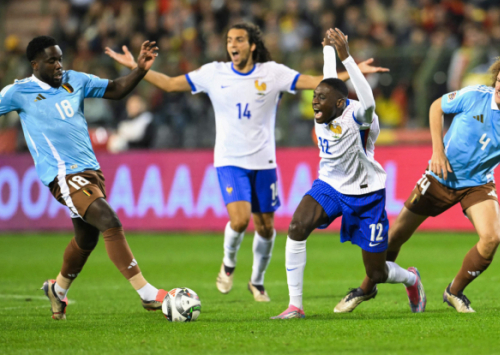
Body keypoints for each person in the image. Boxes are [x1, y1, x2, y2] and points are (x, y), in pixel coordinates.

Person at [105, 22, 388, 302]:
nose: (232, 45)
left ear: (252, 45)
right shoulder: (213, 73)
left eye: (239, 40)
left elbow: (321, 86)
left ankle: (257, 281)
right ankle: (228, 265)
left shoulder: (273, 73)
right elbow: (168, 84)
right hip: (229, 159)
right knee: (240, 220)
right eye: (229, 40)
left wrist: (353, 70)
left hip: (264, 160)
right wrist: (139, 68)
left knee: (266, 227)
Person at [344, 54, 500, 314]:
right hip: (441, 175)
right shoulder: (476, 95)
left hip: (478, 184)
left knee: (491, 238)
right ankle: (366, 288)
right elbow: (436, 107)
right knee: (395, 237)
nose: (499, 87)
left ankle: (454, 291)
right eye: (498, 80)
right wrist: (437, 151)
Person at [0, 36, 165, 320]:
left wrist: (140, 70)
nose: (58, 65)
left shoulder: (75, 79)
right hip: (63, 174)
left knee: (86, 238)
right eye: (51, 60)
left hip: (91, 171)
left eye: (60, 58)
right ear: (35, 64)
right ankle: (147, 294)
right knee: (109, 221)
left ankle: (58, 290)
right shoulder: (18, 92)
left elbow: (115, 89)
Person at [271, 29, 425, 319]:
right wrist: (329, 50)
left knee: (376, 273)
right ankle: (295, 306)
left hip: (366, 194)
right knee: (296, 227)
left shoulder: (358, 115)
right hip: (329, 186)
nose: (315, 102)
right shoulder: (326, 106)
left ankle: (411, 279)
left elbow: (368, 102)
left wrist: (346, 56)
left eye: (321, 98)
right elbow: (329, 78)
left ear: (339, 103)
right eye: (315, 96)